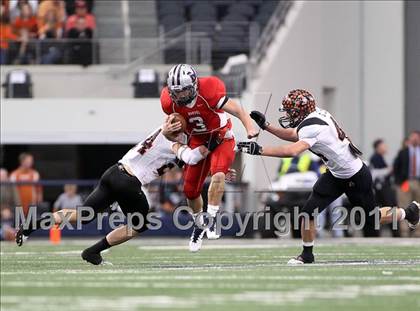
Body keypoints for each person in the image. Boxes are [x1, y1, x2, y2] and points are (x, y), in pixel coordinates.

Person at [237, 89, 420, 264]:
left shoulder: (312, 126)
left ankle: (409, 212)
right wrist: (267, 127)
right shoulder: (315, 114)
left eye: (291, 111)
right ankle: (307, 255)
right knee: (308, 212)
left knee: (372, 218)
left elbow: (292, 150)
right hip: (335, 173)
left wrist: (260, 149)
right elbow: (295, 134)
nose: (289, 115)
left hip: (355, 175)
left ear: (301, 111)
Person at [15, 117, 213, 265]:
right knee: (140, 225)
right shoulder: (175, 141)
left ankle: (30, 226)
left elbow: (185, 158)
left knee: (82, 215)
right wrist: (214, 145)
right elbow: (191, 157)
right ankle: (93, 251)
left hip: (113, 172)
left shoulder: (162, 132)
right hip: (128, 181)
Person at [160, 63, 258, 252]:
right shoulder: (168, 102)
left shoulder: (210, 90)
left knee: (219, 175)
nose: (179, 96)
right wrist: (167, 133)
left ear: (195, 85)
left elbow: (238, 110)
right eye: (176, 92)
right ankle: (199, 224)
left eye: (184, 90)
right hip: (198, 141)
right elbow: (174, 133)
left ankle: (212, 219)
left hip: (221, 136)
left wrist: (250, 128)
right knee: (189, 191)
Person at [393, 131, 420, 236]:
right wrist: (398, 182)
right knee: (404, 206)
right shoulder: (404, 152)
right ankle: (404, 231)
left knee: (418, 207)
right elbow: (396, 168)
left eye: (417, 137)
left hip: (418, 182)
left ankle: (417, 231)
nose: (415, 139)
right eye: (413, 137)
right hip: (406, 182)